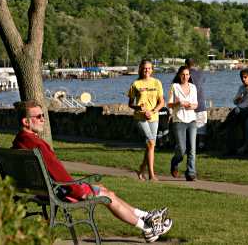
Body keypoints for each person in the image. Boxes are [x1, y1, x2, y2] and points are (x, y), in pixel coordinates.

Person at [11, 100, 172, 243]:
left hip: (43, 190)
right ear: (26, 121)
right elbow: (58, 172)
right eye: (38, 116)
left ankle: (146, 216)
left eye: (43, 115)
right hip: (59, 192)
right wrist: (78, 191)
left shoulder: (20, 141)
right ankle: (148, 228)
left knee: (103, 189)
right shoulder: (37, 145)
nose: (43, 119)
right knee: (107, 195)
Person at [127, 60, 165, 181]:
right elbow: (130, 104)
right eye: (144, 68)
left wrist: (153, 111)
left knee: (150, 145)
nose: (147, 70)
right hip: (140, 117)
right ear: (140, 69)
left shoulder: (157, 83)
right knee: (151, 143)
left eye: (149, 68)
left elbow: (162, 102)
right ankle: (152, 175)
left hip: (154, 117)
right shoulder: (136, 84)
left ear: (152, 69)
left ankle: (141, 170)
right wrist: (138, 107)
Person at [221, 68, 248, 154]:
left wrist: (240, 102)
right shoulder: (241, 87)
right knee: (232, 123)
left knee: (234, 118)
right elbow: (235, 101)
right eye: (241, 77)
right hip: (243, 110)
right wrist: (239, 101)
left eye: (245, 77)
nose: (243, 79)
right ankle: (231, 147)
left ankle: (223, 127)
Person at [168, 66, 198, 181]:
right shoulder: (174, 87)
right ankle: (175, 162)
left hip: (191, 120)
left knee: (192, 149)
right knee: (181, 149)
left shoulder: (193, 87)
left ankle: (191, 173)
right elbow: (169, 104)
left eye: (187, 75)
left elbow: (196, 104)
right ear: (179, 75)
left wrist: (191, 105)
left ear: (189, 76)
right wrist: (178, 103)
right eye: (183, 75)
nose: (185, 77)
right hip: (179, 120)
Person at [185, 58, 207, 151]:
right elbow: (202, 82)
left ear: (186, 65)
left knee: (189, 125)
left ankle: (190, 145)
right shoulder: (201, 73)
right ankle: (201, 145)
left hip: (190, 103)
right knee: (201, 125)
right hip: (201, 102)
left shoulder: (185, 74)